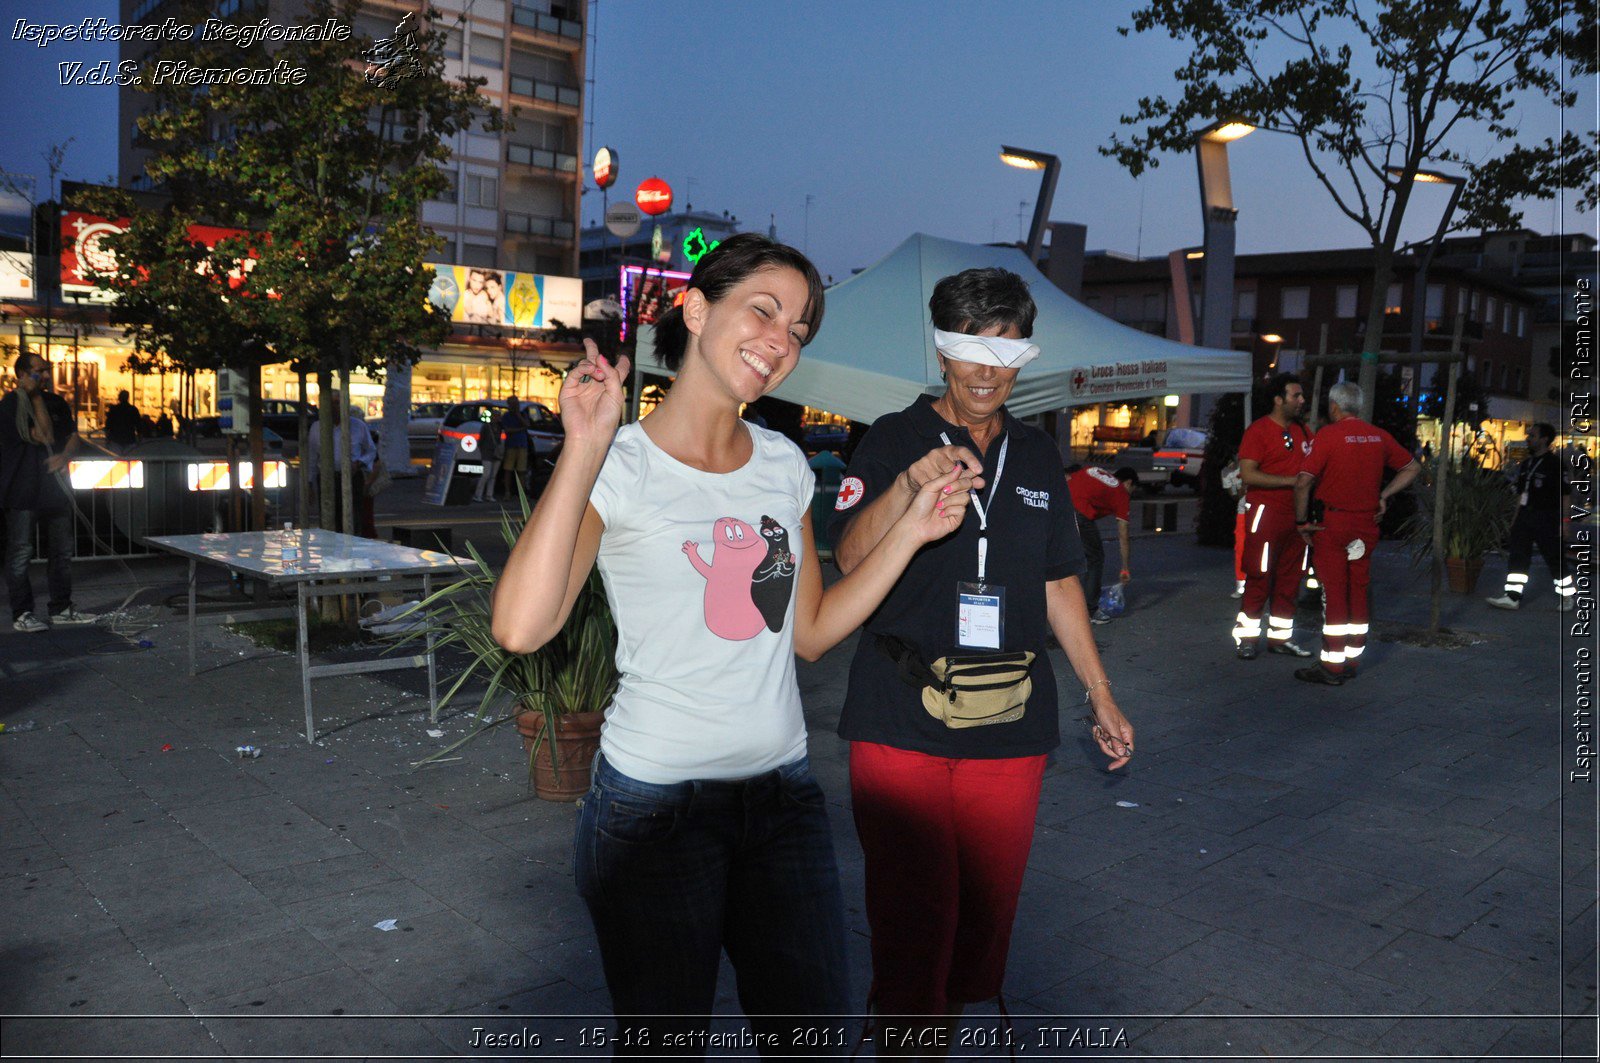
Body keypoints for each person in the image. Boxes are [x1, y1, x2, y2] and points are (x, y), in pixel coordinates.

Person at [489, 234, 963, 1050]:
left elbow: (808, 632)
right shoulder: (622, 461)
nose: (781, 341)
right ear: (697, 308)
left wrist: (911, 531)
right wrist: (586, 445)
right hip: (654, 813)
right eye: (765, 310)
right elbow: (522, 626)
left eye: (800, 331)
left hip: (782, 802)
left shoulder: (783, 463)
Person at [830, 267, 1134, 1038]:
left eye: (1006, 352)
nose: (988, 371)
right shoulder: (892, 437)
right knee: (912, 916)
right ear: (941, 351)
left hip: (1012, 720)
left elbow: (1061, 578)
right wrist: (906, 489)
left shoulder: (1035, 455)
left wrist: (1100, 691)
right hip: (903, 714)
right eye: (972, 349)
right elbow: (849, 559)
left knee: (984, 916)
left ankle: (938, 1035)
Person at [1293, 380, 1420, 685]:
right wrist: (1384, 495)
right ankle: (1352, 658)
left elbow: (1303, 481)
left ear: (1334, 407)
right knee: (1358, 589)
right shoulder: (1378, 436)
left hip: (1333, 524)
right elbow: (1412, 467)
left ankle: (1331, 666)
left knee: (1334, 593)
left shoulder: (1329, 435)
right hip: (1365, 526)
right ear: (1358, 407)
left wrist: (1301, 523)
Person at [0, 351, 97, 632]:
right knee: (21, 552)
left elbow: (71, 436)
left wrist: (65, 457)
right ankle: (22, 613)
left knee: (62, 551)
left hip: (54, 490)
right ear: (21, 374)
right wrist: (34, 397)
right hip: (22, 489)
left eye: (46, 370)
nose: (43, 376)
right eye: (37, 371)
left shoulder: (56, 401)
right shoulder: (10, 405)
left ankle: (61, 608)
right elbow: (44, 435)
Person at [1232, 373, 1314, 660]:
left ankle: (1280, 638)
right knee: (1259, 575)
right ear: (1279, 399)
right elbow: (1248, 474)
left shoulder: (1303, 431)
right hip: (1266, 514)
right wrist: (1292, 481)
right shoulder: (1259, 431)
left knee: (1291, 578)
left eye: (1302, 395)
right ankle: (1247, 638)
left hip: (1298, 516)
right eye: (1296, 395)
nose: (1302, 401)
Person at [1487, 422, 1573, 611]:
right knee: (1518, 555)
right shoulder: (1527, 463)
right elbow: (1521, 494)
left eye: (1532, 436)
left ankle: (1567, 595)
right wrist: (1515, 519)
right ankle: (1512, 597)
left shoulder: (1555, 464)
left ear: (1544, 439)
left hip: (1547, 517)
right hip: (1525, 516)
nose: (1528, 438)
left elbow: (1565, 495)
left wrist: (1565, 522)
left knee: (1554, 557)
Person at [1065, 465, 1137, 623]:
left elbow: (1069, 476)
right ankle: (1090, 610)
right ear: (1129, 483)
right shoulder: (1121, 493)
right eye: (1133, 489)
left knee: (1069, 555)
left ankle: (1064, 600)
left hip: (1060, 502)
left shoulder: (1096, 470)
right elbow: (1123, 534)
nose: (1131, 494)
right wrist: (1125, 567)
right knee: (1095, 558)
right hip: (1079, 511)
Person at [307, 397, 380, 538]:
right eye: (332, 404)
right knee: (329, 517)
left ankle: (352, 546)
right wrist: (309, 484)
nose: (335, 407)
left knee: (353, 516)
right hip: (327, 478)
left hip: (352, 476)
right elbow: (312, 457)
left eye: (338, 403)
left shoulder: (358, 426)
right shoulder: (317, 428)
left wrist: (359, 462)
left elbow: (371, 450)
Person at [498, 395, 529, 497]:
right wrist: (521, 429)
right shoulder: (506, 416)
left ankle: (522, 493)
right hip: (511, 445)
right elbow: (508, 430)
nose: (515, 406)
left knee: (522, 470)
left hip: (522, 445)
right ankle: (507, 492)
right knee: (508, 469)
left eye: (516, 403)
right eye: (512, 404)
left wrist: (518, 415)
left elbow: (527, 425)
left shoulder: (523, 414)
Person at [472, 405, 503, 503]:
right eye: (495, 416)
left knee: (492, 475)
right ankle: (478, 494)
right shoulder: (486, 427)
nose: (497, 418)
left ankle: (489, 494)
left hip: (494, 453)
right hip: (487, 452)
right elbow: (481, 441)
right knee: (486, 474)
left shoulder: (499, 427)